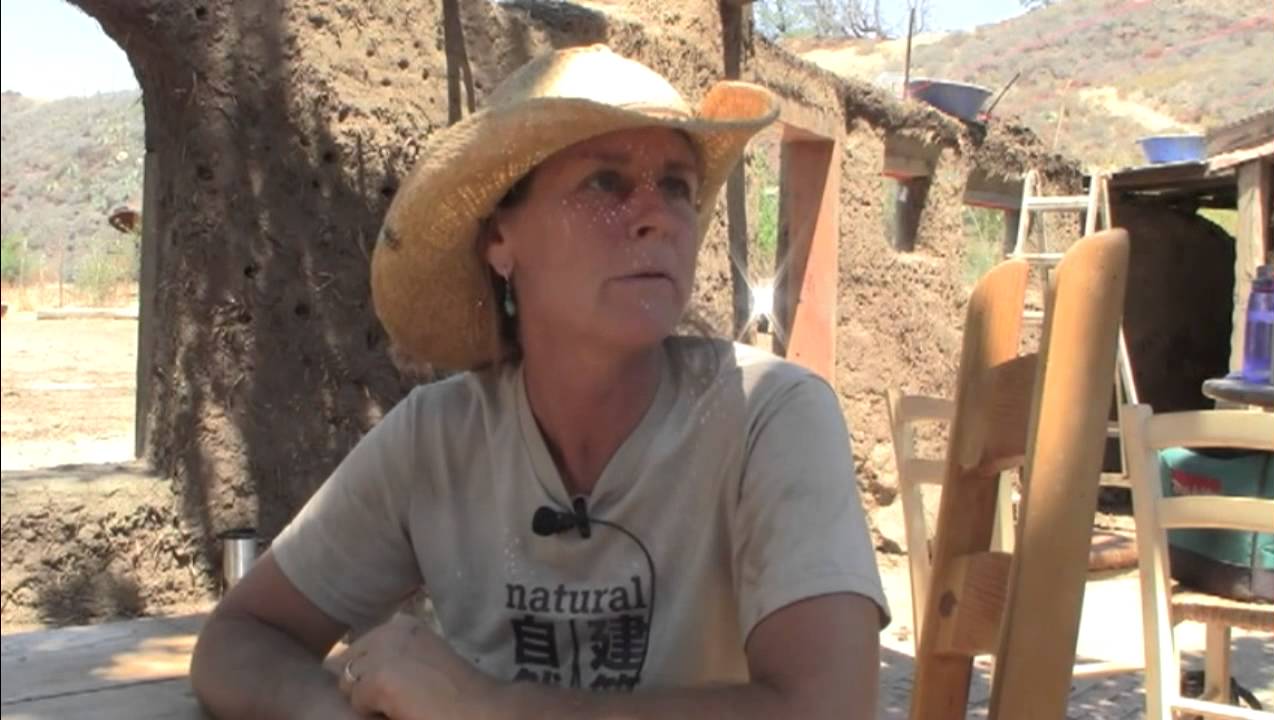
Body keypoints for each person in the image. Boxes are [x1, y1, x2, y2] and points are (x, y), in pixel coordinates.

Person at [190, 44, 889, 719]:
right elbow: (238, 640)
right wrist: (327, 710)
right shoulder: (436, 439)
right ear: (500, 241)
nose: (656, 216)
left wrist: (491, 708)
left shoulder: (769, 416)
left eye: (676, 185)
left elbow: (829, 707)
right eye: (604, 182)